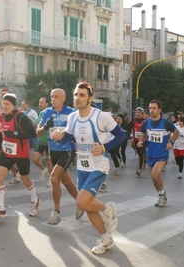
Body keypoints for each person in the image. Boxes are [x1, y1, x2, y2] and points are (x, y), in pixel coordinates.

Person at [51, 82, 125, 254]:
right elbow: (67, 139)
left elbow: (121, 134)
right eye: (76, 94)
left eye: (82, 95)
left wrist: (105, 147)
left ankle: (108, 209)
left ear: (90, 98)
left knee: (81, 202)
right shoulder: (72, 117)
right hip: (83, 165)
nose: (77, 98)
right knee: (86, 205)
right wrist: (58, 137)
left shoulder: (101, 117)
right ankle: (106, 239)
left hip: (99, 166)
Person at [0, 93, 41, 218]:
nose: (5, 106)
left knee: (25, 180)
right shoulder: (2, 117)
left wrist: (15, 134)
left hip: (21, 154)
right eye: (3, 104)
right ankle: (1, 209)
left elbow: (32, 133)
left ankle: (35, 201)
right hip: (7, 152)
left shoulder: (21, 117)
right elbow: (5, 133)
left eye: (7, 104)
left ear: (13, 105)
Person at [36, 88, 81, 225]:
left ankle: (56, 212)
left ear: (63, 98)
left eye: (56, 96)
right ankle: (80, 202)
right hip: (53, 151)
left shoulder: (72, 113)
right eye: (52, 96)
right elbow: (37, 132)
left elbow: (79, 131)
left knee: (54, 178)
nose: (53, 99)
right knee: (66, 181)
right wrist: (45, 127)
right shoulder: (46, 112)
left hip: (67, 150)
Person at [138, 100, 178, 207]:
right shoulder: (146, 123)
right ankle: (161, 194)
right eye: (150, 108)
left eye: (154, 108)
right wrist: (141, 141)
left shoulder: (166, 123)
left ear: (159, 110)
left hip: (162, 154)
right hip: (150, 154)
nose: (151, 110)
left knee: (155, 176)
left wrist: (171, 142)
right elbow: (143, 135)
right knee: (153, 177)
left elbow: (176, 132)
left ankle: (161, 195)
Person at [33, 97, 53, 181]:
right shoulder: (41, 113)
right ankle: (44, 170)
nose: (40, 104)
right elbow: (38, 125)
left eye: (42, 102)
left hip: (49, 141)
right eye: (39, 102)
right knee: (35, 159)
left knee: (49, 161)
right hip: (41, 140)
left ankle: (51, 179)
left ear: (47, 104)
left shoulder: (51, 113)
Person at [128, 107, 146, 176]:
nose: (137, 114)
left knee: (141, 153)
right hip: (136, 140)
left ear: (142, 114)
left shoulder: (145, 121)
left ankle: (139, 169)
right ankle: (143, 162)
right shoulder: (133, 121)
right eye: (136, 112)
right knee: (139, 153)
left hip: (143, 140)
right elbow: (128, 127)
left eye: (139, 112)